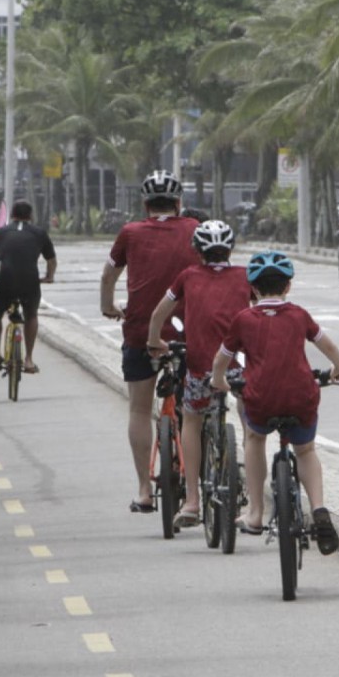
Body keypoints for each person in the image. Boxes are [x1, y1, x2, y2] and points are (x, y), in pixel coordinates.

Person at [210, 251, 339, 555]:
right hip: (301, 396)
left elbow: (222, 358)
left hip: (261, 398)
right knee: (306, 450)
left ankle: (256, 512)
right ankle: (319, 508)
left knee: (255, 437)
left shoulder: (243, 319)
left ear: (254, 289)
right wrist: (338, 366)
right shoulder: (299, 315)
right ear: (288, 287)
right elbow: (327, 344)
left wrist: (218, 380)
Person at [99, 170, 199, 513]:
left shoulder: (130, 232)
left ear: (145, 204)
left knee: (140, 410)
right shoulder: (194, 230)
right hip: (188, 332)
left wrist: (107, 306)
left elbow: (109, 274)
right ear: (179, 202)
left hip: (141, 332)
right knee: (194, 408)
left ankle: (144, 489)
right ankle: (194, 488)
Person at [147, 220, 250, 528]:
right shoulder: (245, 277)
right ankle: (249, 484)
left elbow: (158, 314)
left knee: (191, 420)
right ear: (230, 249)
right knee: (251, 426)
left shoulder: (187, 277)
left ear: (197, 251)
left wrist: (155, 343)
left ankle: (192, 499)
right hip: (239, 368)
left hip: (201, 367)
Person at [0, 201, 56, 376]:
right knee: (31, 315)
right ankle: (29, 360)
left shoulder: (1, 232)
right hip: (30, 281)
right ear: (31, 216)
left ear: (11, 215)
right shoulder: (40, 233)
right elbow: (51, 260)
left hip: (6, 280)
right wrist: (49, 277)